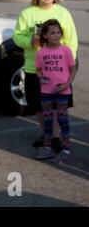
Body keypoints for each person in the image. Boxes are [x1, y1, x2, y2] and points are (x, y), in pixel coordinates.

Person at [13, 0, 78, 153]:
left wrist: (69, 64)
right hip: (35, 69)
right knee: (40, 107)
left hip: (59, 72)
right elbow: (17, 37)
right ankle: (46, 135)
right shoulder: (27, 14)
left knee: (58, 107)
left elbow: (72, 41)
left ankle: (56, 137)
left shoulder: (63, 13)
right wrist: (29, 41)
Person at [35, 19, 76, 161]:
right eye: (52, 33)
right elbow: (38, 70)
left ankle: (65, 149)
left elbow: (73, 70)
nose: (56, 35)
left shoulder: (66, 50)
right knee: (47, 121)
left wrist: (66, 85)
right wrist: (41, 77)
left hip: (63, 92)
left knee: (63, 120)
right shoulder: (41, 53)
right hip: (46, 92)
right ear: (45, 35)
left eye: (58, 32)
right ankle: (47, 148)